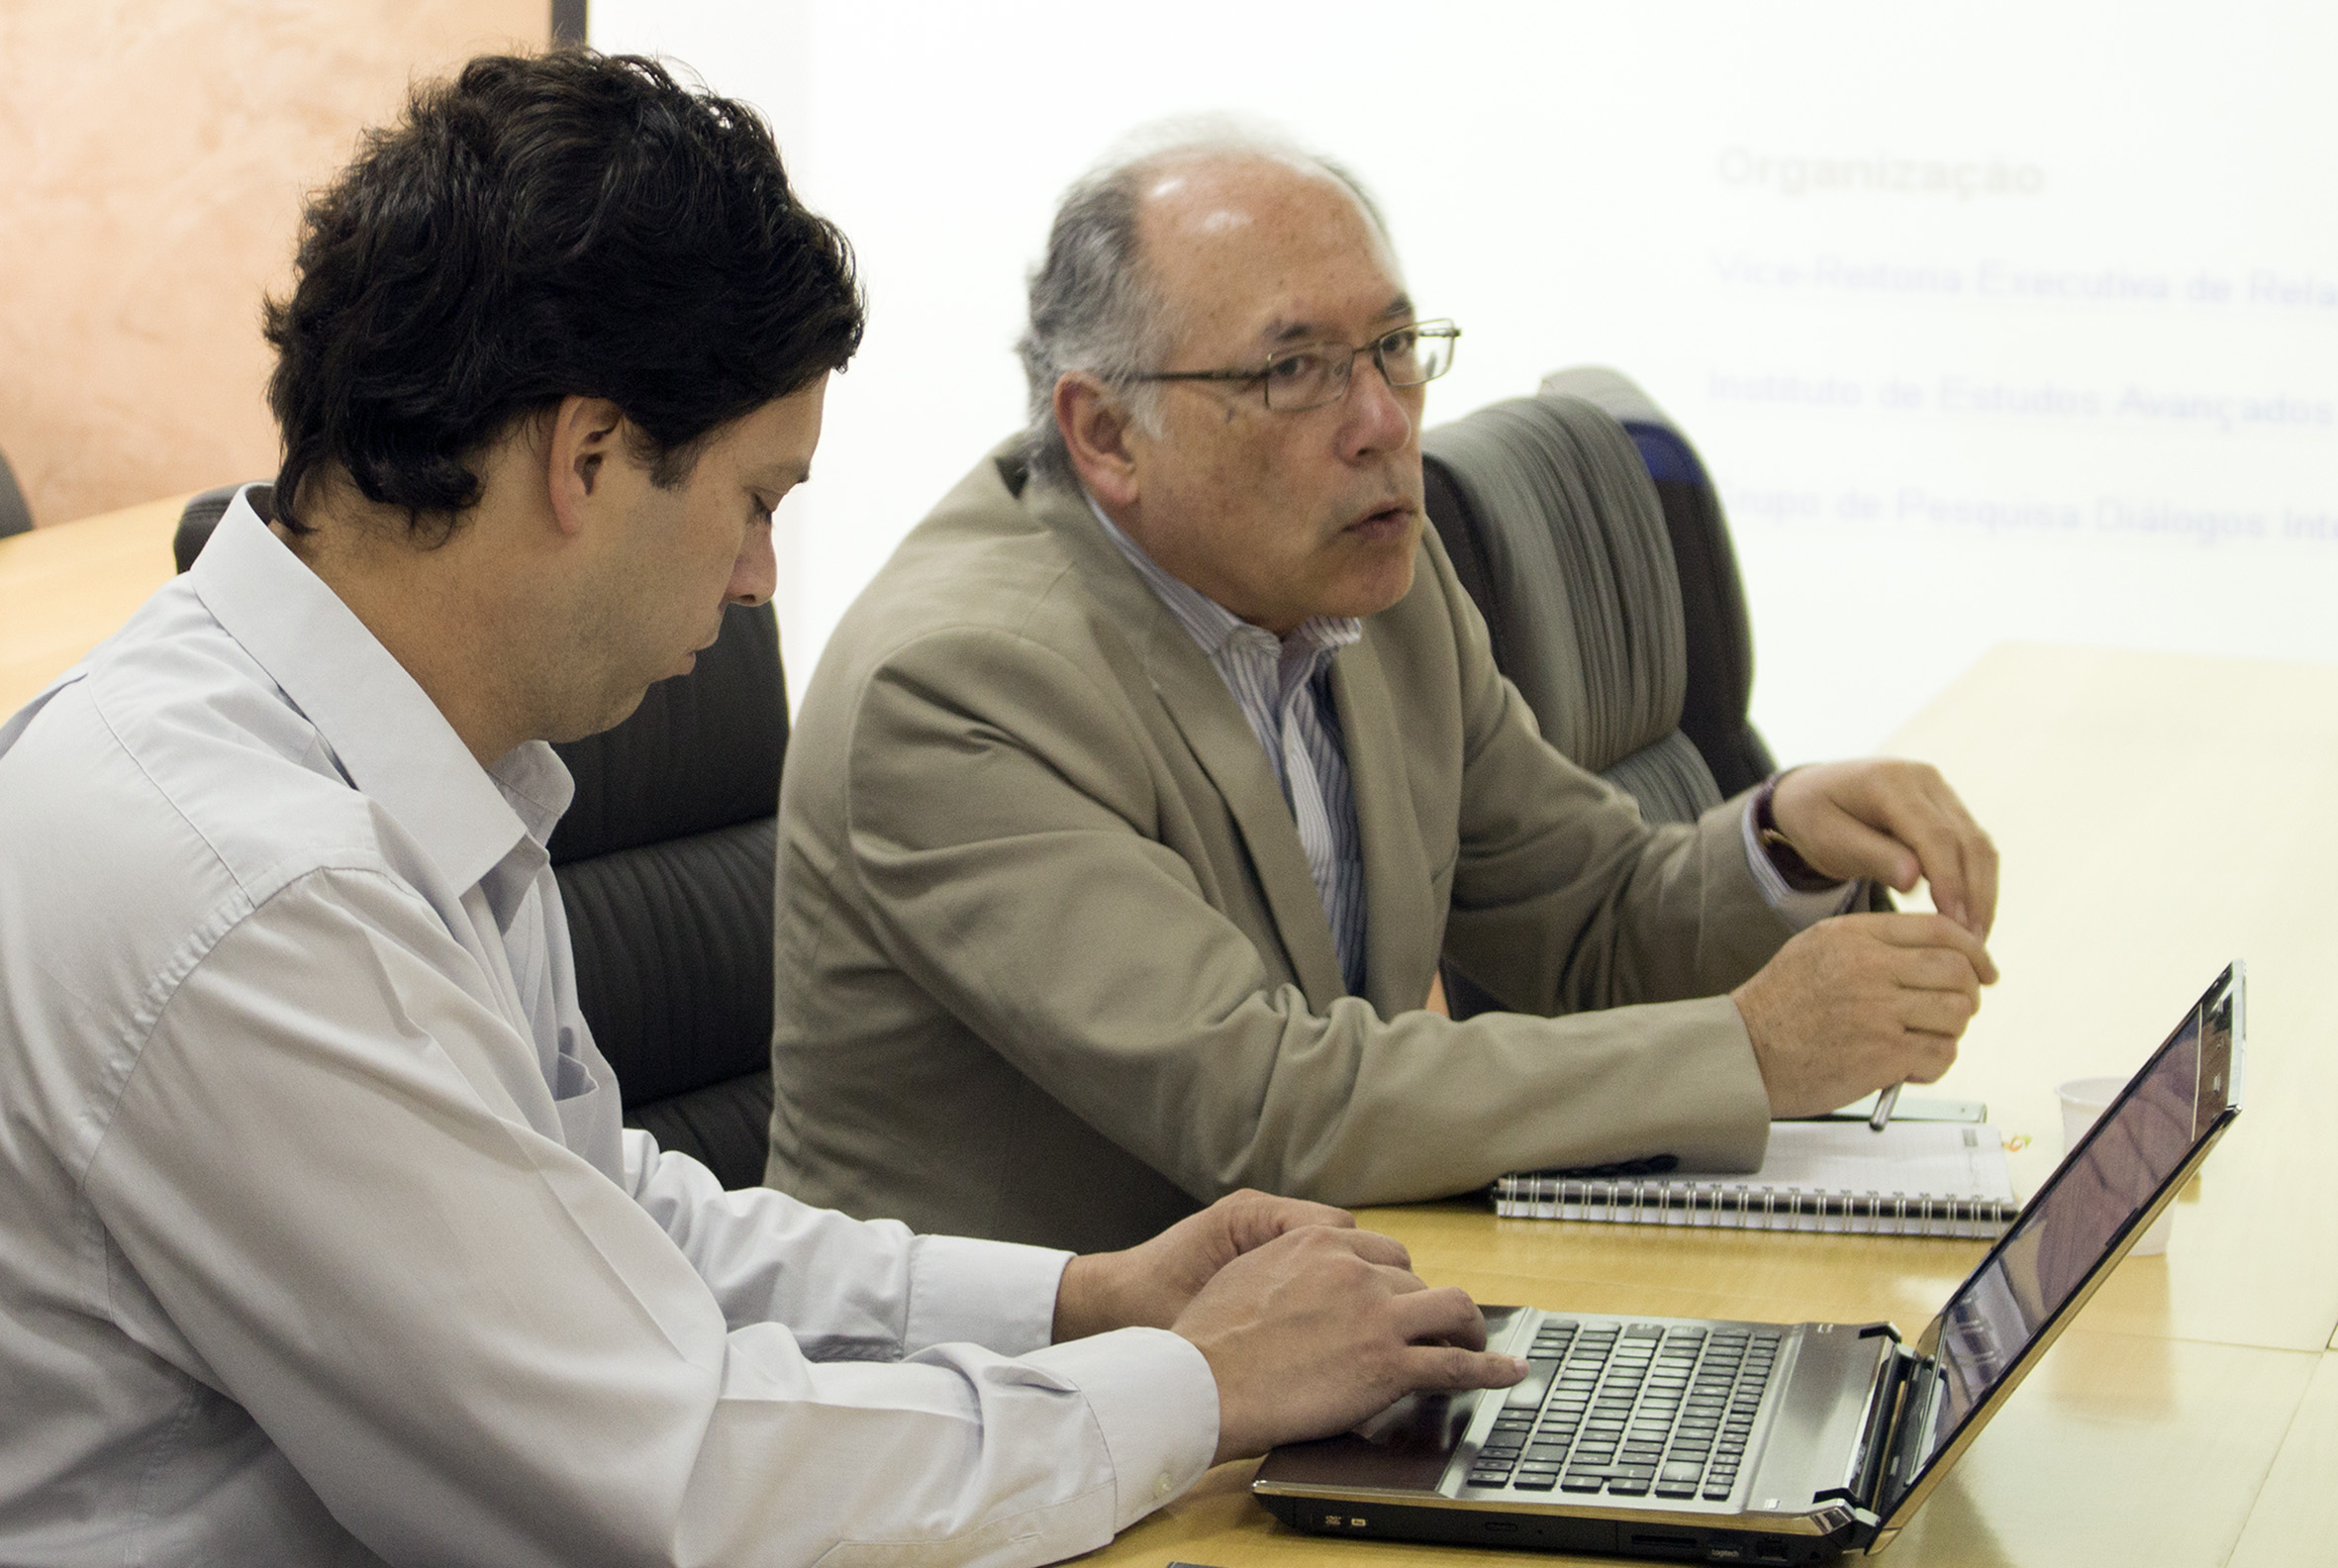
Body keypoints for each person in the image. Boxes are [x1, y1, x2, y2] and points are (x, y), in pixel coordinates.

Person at [0, 58, 1526, 1568]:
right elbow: (667, 1489)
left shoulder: (398, 762)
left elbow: (593, 1213)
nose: (759, 584)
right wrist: (1197, 1385)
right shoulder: (255, 896)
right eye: (756, 502)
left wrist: (1081, 1302)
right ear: (587, 457)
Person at [768, 129, 2001, 1254]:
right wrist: (1750, 1052)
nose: (1380, 423)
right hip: (1005, 1416)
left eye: (1394, 351)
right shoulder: (959, 685)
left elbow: (1586, 920)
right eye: (1293, 369)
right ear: (1103, 435)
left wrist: (1779, 841)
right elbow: (1265, 1103)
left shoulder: (1373, 587)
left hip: (1295, 1340)